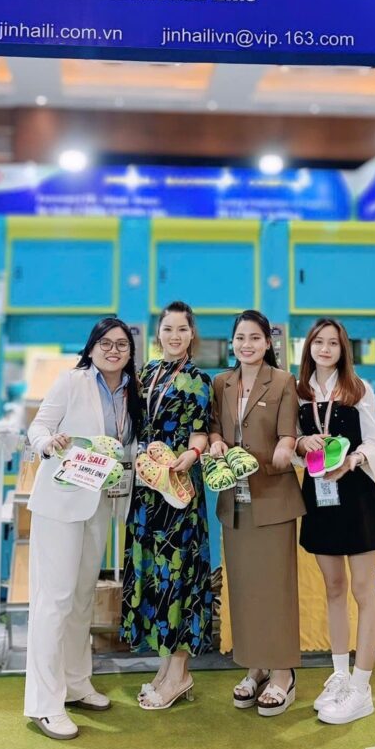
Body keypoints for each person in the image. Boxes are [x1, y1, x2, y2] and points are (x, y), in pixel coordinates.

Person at [23, 318, 143, 740]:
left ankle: (76, 683)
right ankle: (44, 704)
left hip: (100, 503)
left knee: (81, 598)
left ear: (130, 352)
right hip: (61, 501)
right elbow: (38, 427)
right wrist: (47, 443)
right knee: (53, 599)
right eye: (105, 343)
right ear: (91, 348)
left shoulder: (131, 391)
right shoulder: (71, 382)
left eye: (122, 345)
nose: (113, 350)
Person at [295, 318, 375, 724]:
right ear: (309, 347)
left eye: (333, 343)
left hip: (357, 496)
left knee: (363, 590)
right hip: (320, 497)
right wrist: (303, 443)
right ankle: (338, 676)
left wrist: (353, 460)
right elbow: (292, 445)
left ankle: (361, 685)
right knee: (333, 587)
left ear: (343, 349)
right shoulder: (298, 392)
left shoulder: (357, 388)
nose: (325, 348)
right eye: (319, 341)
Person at [209, 309, 303, 716]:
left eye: (254, 338)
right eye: (240, 338)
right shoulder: (221, 383)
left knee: (276, 589)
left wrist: (285, 448)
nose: (246, 345)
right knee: (245, 589)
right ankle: (255, 666)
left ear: (268, 343)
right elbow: (214, 426)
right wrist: (215, 442)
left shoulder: (283, 381)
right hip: (235, 502)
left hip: (273, 499)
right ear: (232, 343)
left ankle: (283, 673)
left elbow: (288, 434)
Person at [122, 301, 215, 709]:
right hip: (147, 490)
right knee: (155, 578)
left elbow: (201, 433)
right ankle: (165, 670)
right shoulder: (145, 374)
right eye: (168, 329)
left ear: (192, 334)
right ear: (158, 333)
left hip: (178, 491)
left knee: (180, 576)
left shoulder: (199, 380)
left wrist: (190, 457)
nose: (174, 336)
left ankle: (179, 672)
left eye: (182, 329)